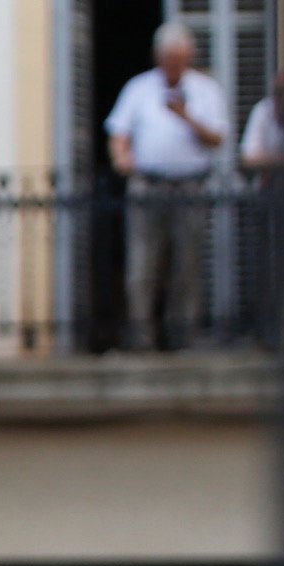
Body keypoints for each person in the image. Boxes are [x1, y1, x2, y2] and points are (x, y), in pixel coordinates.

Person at [104, 19, 232, 346]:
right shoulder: (139, 88)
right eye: (167, 58)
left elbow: (218, 137)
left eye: (179, 58)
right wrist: (122, 156)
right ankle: (142, 337)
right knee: (142, 265)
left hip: (190, 186)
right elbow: (118, 131)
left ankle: (183, 336)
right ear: (157, 57)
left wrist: (184, 116)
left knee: (186, 266)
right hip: (148, 185)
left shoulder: (205, 89)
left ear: (188, 56)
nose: (173, 64)